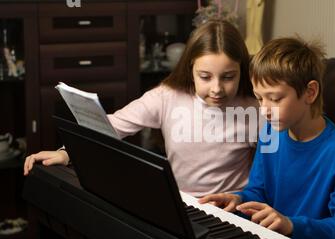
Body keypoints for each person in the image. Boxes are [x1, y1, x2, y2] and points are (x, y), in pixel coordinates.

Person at [24, 20, 258, 198]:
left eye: (228, 77)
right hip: (183, 203)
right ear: (190, 68)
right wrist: (66, 153)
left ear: (241, 71)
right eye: (205, 76)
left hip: (232, 208)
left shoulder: (256, 108)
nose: (217, 88)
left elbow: (270, 172)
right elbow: (112, 125)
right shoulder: (167, 97)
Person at [199, 37, 335, 239]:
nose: (265, 110)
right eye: (260, 99)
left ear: (310, 93)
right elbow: (258, 191)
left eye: (275, 99)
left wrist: (291, 225)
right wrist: (238, 199)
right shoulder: (270, 132)